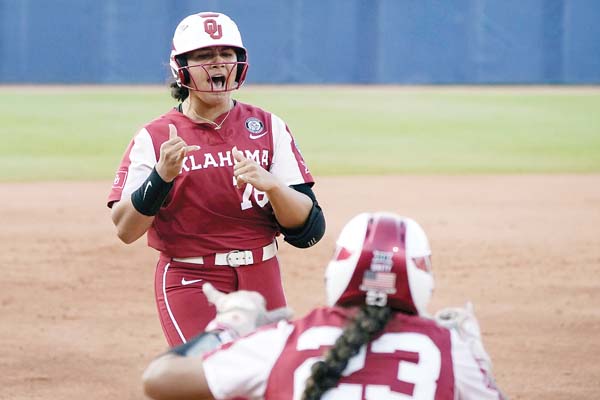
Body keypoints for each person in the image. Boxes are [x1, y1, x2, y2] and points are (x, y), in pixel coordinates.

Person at [107, 11, 325, 346]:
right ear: (181, 67)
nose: (218, 63)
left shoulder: (268, 126)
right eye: (204, 55)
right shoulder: (154, 137)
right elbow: (125, 229)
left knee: (270, 383)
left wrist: (274, 187)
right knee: (206, 379)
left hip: (262, 273)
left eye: (226, 54)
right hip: (192, 279)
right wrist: (161, 177)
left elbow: (309, 229)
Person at [142, 212, 507, 400]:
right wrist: (477, 361)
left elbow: (159, 380)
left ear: (340, 271)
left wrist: (230, 325)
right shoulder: (447, 347)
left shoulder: (284, 340)